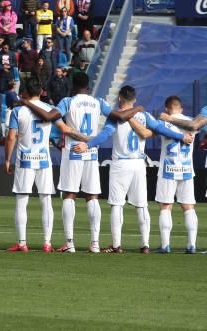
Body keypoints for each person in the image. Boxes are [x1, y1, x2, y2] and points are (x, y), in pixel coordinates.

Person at [21, 72, 142, 253]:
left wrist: (28, 103)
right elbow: (122, 116)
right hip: (91, 152)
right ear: (88, 85)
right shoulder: (98, 102)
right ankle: (95, 244)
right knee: (92, 197)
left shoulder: (68, 102)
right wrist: (138, 108)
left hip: (74, 152)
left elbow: (49, 116)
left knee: (69, 195)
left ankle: (70, 243)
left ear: (73, 85)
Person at [81, 87, 191, 253]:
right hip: (139, 163)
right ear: (135, 99)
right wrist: (181, 136)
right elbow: (161, 129)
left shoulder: (116, 116)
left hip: (121, 163)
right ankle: (145, 244)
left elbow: (105, 134)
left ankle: (116, 245)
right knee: (141, 205)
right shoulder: (144, 115)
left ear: (119, 99)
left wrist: (87, 145)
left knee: (117, 204)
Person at [4, 77, 55, 252]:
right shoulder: (49, 109)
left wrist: (7, 159)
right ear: (40, 92)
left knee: (21, 201)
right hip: (43, 159)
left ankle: (22, 242)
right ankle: (47, 243)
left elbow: (12, 137)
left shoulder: (18, 111)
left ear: (25, 91)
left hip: (25, 159)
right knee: (46, 200)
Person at [152, 96, 200, 253]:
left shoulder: (163, 121)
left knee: (166, 206)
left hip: (168, 170)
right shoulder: (191, 122)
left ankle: (165, 245)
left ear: (167, 109)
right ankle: (191, 245)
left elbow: (156, 129)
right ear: (181, 108)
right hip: (186, 170)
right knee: (188, 207)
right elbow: (200, 127)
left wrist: (167, 119)